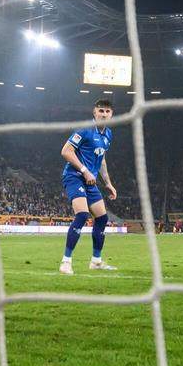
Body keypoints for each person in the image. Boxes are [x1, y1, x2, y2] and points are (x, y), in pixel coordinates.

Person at [59, 99, 117, 275]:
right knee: (83, 215)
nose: (104, 114)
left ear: (111, 114)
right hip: (74, 176)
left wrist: (108, 183)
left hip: (90, 180)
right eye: (101, 111)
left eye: (107, 111)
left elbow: (101, 160)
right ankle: (66, 262)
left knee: (102, 218)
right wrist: (85, 170)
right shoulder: (84, 130)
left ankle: (96, 261)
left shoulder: (108, 134)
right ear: (94, 112)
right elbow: (66, 151)